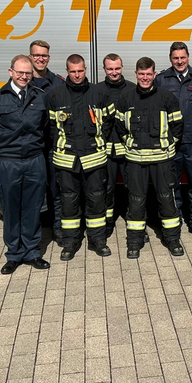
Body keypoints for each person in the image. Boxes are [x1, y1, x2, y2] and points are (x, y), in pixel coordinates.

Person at [0, 54, 50, 274]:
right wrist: (7, 150)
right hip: (9, 161)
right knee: (11, 209)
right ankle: (13, 254)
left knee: (33, 207)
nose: (23, 76)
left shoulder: (40, 96)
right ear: (10, 72)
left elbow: (45, 127)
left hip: (34, 160)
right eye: (20, 72)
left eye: (27, 73)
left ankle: (32, 252)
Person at [115, 57, 184, 259]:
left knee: (167, 200)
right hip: (135, 160)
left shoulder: (167, 98)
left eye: (148, 74)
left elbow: (178, 126)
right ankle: (134, 242)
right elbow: (120, 127)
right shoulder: (126, 99)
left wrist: (168, 145)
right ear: (135, 74)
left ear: (154, 75)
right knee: (136, 202)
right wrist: (131, 144)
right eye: (141, 74)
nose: (145, 78)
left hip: (162, 159)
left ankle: (173, 240)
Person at [46, 54, 114, 260]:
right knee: (68, 202)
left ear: (86, 70)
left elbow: (109, 122)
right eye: (73, 71)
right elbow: (50, 128)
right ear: (67, 72)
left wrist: (96, 142)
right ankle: (70, 242)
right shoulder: (55, 96)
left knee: (96, 200)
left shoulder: (100, 94)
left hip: (94, 158)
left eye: (80, 71)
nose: (77, 75)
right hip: (67, 160)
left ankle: (97, 240)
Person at [154, 42, 192, 242]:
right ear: (170, 59)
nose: (179, 61)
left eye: (182, 57)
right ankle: (174, 220)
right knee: (172, 185)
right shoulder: (161, 79)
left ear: (188, 57)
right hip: (171, 142)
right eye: (176, 58)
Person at [28, 39, 65, 245]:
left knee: (55, 189)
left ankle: (57, 228)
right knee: (33, 190)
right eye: (36, 55)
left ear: (48, 58)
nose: (40, 59)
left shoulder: (58, 83)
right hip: (31, 148)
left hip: (52, 146)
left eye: (44, 55)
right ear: (30, 57)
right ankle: (34, 231)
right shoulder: (22, 81)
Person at [94, 53, 134, 238]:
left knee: (133, 189)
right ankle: (108, 223)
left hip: (128, 149)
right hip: (106, 150)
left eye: (117, 68)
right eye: (110, 69)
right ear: (104, 69)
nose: (114, 72)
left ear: (122, 67)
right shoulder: (96, 91)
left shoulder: (133, 89)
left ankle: (135, 223)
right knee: (107, 189)